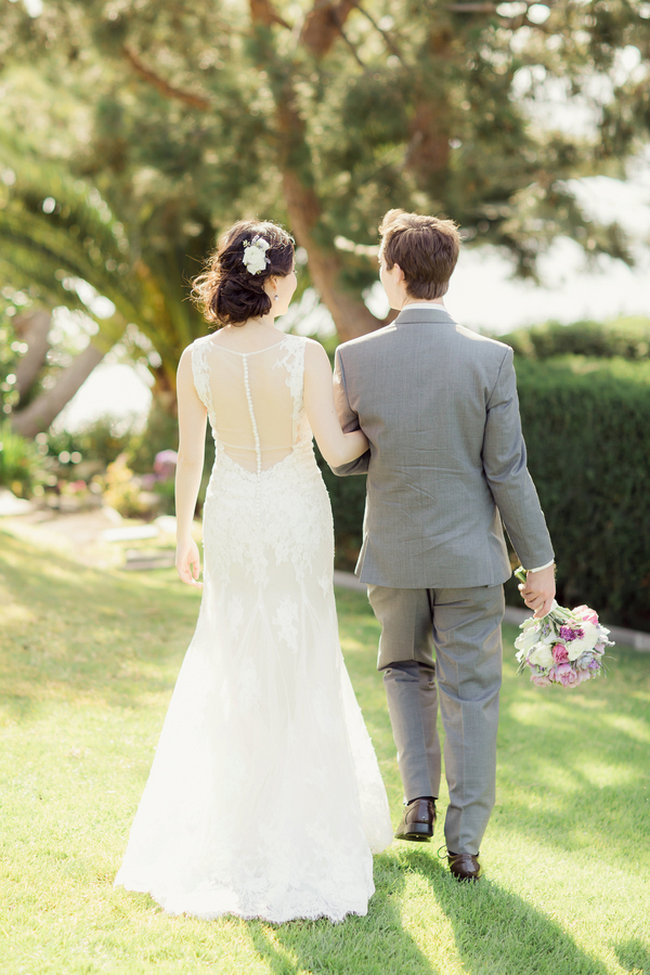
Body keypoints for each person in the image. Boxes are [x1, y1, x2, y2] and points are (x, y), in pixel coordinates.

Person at [115, 220, 392, 922]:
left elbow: (190, 459)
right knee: (300, 650)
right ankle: (298, 815)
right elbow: (337, 452)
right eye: (292, 273)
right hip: (295, 511)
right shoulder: (303, 353)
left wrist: (185, 537)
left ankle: (236, 818)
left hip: (232, 513)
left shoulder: (195, 358)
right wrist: (387, 426)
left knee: (233, 651)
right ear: (276, 277)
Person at [332, 209, 555, 882]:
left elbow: (345, 458)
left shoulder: (355, 356)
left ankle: (419, 802)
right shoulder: (491, 359)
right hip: (469, 557)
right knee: (473, 691)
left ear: (397, 274)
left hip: (393, 553)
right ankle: (465, 842)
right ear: (445, 273)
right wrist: (539, 562)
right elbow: (506, 469)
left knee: (404, 667)